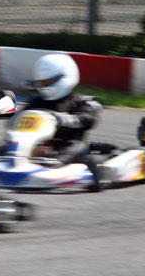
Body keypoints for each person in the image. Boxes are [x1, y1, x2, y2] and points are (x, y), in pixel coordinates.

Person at [21, 53, 106, 190]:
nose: (45, 86)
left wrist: (62, 119)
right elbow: (20, 119)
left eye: (49, 82)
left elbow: (89, 119)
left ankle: (56, 165)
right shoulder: (36, 102)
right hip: (36, 145)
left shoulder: (83, 101)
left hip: (68, 146)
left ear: (65, 76)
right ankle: (12, 161)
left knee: (77, 147)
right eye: (42, 83)